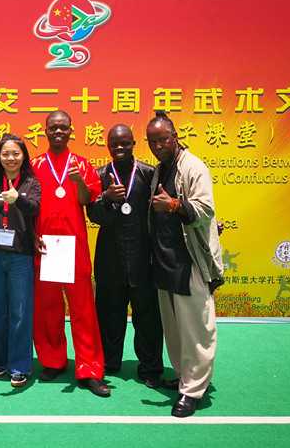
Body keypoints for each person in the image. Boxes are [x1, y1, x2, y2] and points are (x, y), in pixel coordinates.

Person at [146, 111, 224, 418]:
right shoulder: (160, 169)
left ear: (175, 136)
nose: (158, 145)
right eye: (152, 141)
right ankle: (183, 377)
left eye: (162, 139)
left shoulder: (193, 166)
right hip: (164, 260)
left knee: (196, 329)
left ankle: (193, 391)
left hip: (189, 259)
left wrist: (175, 205)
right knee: (175, 328)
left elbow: (205, 209)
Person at [30, 110, 110, 397]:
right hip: (45, 247)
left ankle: (89, 369)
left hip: (75, 249)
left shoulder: (83, 164)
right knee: (48, 308)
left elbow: (87, 201)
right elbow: (27, 205)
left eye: (63, 127)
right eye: (53, 127)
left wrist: (78, 181)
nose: (58, 132)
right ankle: (54, 361)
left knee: (83, 311)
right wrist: (33, 235)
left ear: (71, 130)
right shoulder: (34, 165)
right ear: (45, 130)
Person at [86, 124, 164, 388]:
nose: (120, 147)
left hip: (144, 258)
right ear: (108, 146)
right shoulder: (99, 175)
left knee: (148, 317)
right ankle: (109, 362)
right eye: (114, 144)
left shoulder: (149, 174)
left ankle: (150, 368)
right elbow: (93, 215)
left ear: (134, 144)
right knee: (109, 314)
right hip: (111, 259)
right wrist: (107, 199)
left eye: (125, 143)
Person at [0, 134, 41, 387]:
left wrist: (18, 198)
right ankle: (0, 360)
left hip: (21, 257)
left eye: (16, 153)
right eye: (5, 154)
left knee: (20, 312)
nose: (11, 158)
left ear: (23, 156)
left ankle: (19, 365)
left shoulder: (31, 183)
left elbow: (35, 208)